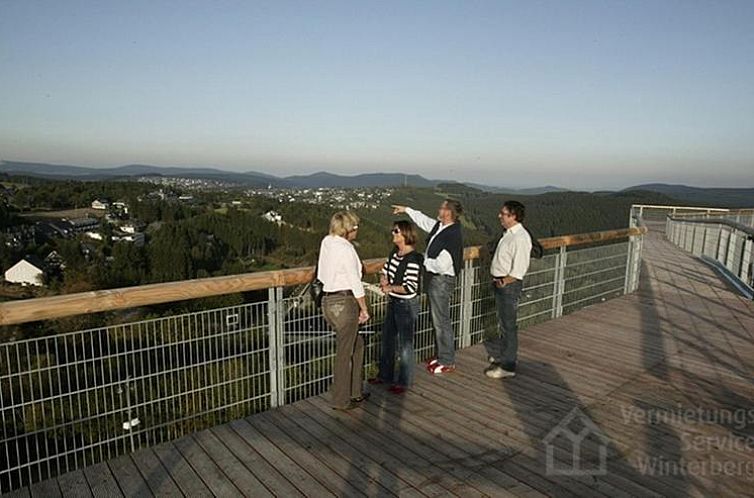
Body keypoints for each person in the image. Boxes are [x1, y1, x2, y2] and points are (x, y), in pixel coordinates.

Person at [392, 199, 464, 374]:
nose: (438, 209)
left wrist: (423, 260)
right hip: (436, 280)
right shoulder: (441, 227)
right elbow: (424, 220)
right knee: (438, 319)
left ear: (448, 212)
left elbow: (442, 264)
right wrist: (407, 209)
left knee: (441, 321)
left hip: (441, 280)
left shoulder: (452, 235)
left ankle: (447, 360)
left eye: (441, 207)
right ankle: (442, 356)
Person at [317, 211, 371, 410]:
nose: (357, 230)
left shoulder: (326, 242)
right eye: (355, 227)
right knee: (344, 353)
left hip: (328, 302)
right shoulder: (347, 249)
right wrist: (363, 308)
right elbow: (355, 282)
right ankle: (341, 400)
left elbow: (322, 273)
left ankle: (355, 391)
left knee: (357, 345)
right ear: (348, 229)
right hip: (345, 302)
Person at [371, 220, 423, 394]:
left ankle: (404, 381)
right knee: (388, 339)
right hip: (394, 302)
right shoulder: (395, 252)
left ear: (405, 235)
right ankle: (385, 375)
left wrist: (390, 287)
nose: (393, 233)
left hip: (406, 305)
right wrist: (384, 279)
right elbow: (385, 270)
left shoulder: (413, 259)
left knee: (405, 344)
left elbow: (410, 287)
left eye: (396, 231)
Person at [485, 201, 532, 379]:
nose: (500, 216)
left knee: (508, 326)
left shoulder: (520, 238)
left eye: (503, 214)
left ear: (513, 216)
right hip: (501, 282)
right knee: (504, 324)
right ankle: (506, 357)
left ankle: (508, 366)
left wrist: (504, 281)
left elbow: (519, 270)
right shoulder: (509, 234)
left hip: (508, 285)